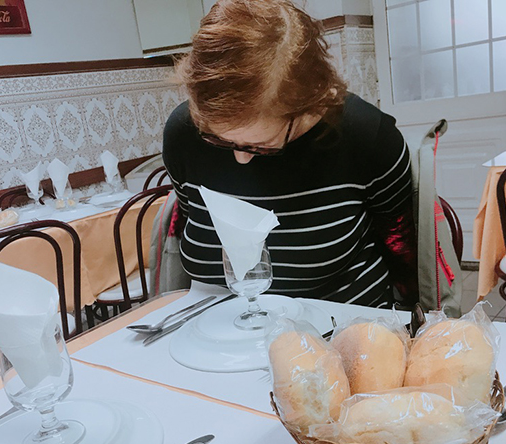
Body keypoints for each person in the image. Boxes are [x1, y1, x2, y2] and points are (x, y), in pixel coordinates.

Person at [162, 0, 417, 307]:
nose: (241, 159)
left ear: (309, 103)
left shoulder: (366, 136)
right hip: (218, 325)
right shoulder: (183, 134)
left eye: (260, 145)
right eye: (220, 140)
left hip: (343, 322)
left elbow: (402, 247)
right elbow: (188, 218)